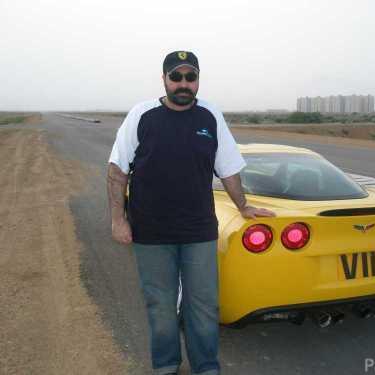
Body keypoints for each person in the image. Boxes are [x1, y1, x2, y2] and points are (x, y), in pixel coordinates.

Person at [107, 50, 275, 375]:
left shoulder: (210, 116)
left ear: (197, 80)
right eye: (177, 77)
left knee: (204, 306)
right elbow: (117, 170)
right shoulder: (142, 115)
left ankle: (206, 368)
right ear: (164, 79)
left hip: (199, 231)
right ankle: (166, 365)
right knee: (161, 306)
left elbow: (228, 169)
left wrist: (243, 205)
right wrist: (118, 219)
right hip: (151, 232)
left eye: (191, 77)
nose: (184, 84)